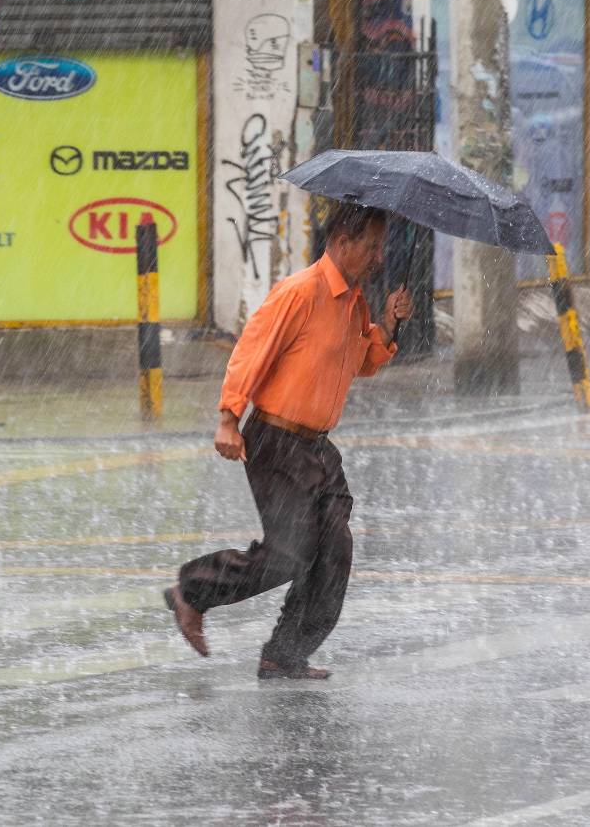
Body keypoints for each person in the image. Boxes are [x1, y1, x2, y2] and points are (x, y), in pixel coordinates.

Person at [164, 203, 413, 680]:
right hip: (276, 441)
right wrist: (229, 416)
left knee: (333, 553)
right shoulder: (300, 292)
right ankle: (191, 591)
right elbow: (251, 351)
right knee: (289, 553)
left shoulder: (355, 301)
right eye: (372, 246)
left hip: (318, 448)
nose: (379, 257)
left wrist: (387, 324)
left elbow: (361, 362)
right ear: (341, 242)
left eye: (381, 247)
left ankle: (285, 653)